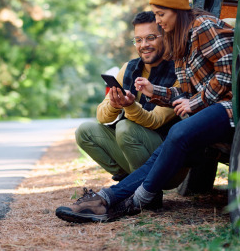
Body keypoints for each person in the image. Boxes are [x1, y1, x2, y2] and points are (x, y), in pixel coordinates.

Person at [56, 0, 235, 223]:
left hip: (229, 106)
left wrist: (195, 103)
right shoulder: (179, 42)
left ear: (178, 10)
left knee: (176, 133)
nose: (159, 20)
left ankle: (127, 201)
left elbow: (229, 72)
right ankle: (109, 198)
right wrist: (154, 91)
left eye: (161, 14)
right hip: (209, 110)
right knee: (160, 149)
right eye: (156, 14)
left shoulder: (203, 26)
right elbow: (182, 94)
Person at [75, 11, 178, 182]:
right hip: (134, 153)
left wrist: (130, 106)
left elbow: (156, 121)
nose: (144, 44)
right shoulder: (128, 68)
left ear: (165, 37)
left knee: (125, 128)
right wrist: (115, 105)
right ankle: (128, 183)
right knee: (84, 131)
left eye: (150, 38)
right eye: (138, 39)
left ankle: (147, 192)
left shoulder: (178, 72)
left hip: (166, 159)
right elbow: (101, 116)